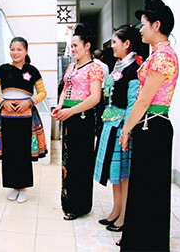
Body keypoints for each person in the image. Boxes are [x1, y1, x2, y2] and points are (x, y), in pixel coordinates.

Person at [119, 0, 178, 251]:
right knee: (144, 186)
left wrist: (125, 128)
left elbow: (143, 101)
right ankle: (140, 238)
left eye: (143, 24)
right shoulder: (157, 54)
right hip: (149, 126)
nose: (140, 29)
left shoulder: (163, 56)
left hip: (152, 126)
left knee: (149, 188)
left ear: (156, 25)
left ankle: (146, 242)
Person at [51, 23, 104, 220]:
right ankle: (67, 201)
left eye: (75, 45)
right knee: (68, 160)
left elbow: (95, 97)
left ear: (87, 46)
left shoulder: (95, 68)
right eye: (71, 46)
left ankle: (79, 205)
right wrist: (60, 105)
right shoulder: (72, 66)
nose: (72, 49)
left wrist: (71, 111)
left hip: (83, 118)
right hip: (69, 116)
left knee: (81, 161)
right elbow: (65, 88)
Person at [93, 24, 142, 233]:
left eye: (115, 42)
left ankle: (124, 215)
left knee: (124, 173)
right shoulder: (118, 65)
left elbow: (133, 102)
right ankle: (116, 209)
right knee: (115, 172)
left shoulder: (134, 69)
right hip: (110, 124)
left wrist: (126, 129)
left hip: (122, 126)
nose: (112, 46)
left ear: (127, 44)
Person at [0, 37, 48, 203]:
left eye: (19, 49)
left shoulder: (33, 71)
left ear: (26, 51)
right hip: (6, 116)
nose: (15, 53)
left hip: (26, 117)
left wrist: (29, 102)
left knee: (23, 153)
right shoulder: (3, 69)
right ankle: (12, 186)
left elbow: (43, 93)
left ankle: (23, 187)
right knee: (9, 152)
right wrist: (2, 102)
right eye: (12, 49)